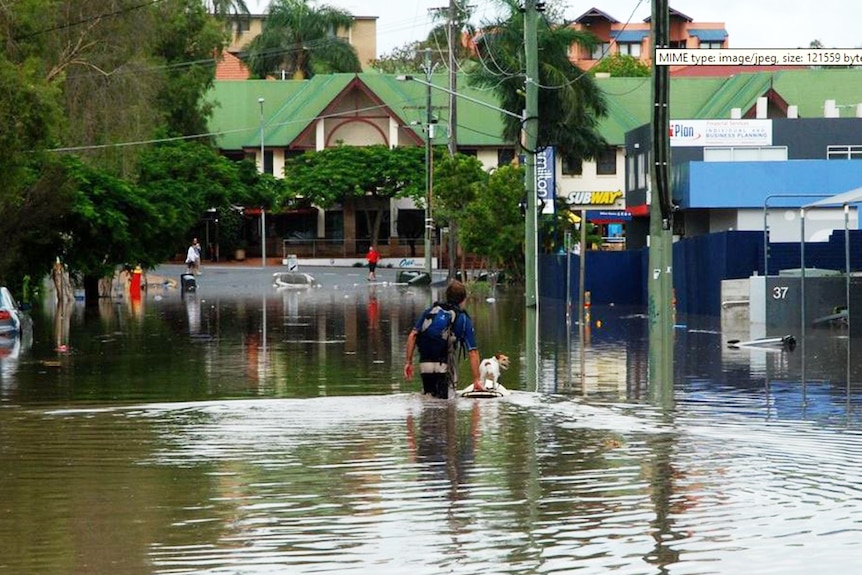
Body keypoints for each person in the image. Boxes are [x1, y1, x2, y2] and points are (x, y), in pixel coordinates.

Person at [404, 280, 483, 398]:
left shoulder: (430, 312)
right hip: (445, 365)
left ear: (447, 296)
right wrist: (477, 380)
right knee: (447, 405)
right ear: (463, 299)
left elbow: (413, 335)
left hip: (425, 363)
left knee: (429, 400)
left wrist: (408, 362)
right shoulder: (463, 318)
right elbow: (473, 352)